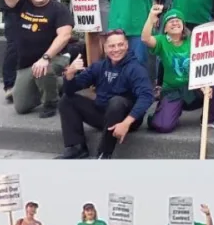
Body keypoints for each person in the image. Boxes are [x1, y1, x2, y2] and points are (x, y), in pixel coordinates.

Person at [58, 30, 155, 159]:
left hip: (128, 119)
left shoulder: (136, 68)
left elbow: (147, 97)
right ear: (105, 48)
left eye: (120, 45)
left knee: (117, 102)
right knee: (66, 100)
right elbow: (70, 90)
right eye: (112, 46)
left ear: (126, 45)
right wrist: (70, 73)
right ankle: (76, 147)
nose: (116, 49)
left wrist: (126, 123)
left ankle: (104, 153)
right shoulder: (99, 66)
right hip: (104, 114)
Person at [0, 0, 72, 119]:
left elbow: (64, 35)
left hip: (55, 58)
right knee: (21, 107)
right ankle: (60, 84)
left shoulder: (59, 9)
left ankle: (51, 102)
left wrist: (45, 58)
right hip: (26, 63)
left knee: (45, 70)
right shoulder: (23, 4)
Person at [141, 4, 214, 131]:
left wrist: (202, 84)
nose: (174, 23)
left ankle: (210, 119)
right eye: (170, 21)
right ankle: (165, 112)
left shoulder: (195, 39)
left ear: (183, 25)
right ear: (165, 29)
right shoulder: (162, 41)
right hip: (173, 91)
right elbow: (145, 39)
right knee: (163, 126)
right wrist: (151, 17)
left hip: (194, 87)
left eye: (178, 20)